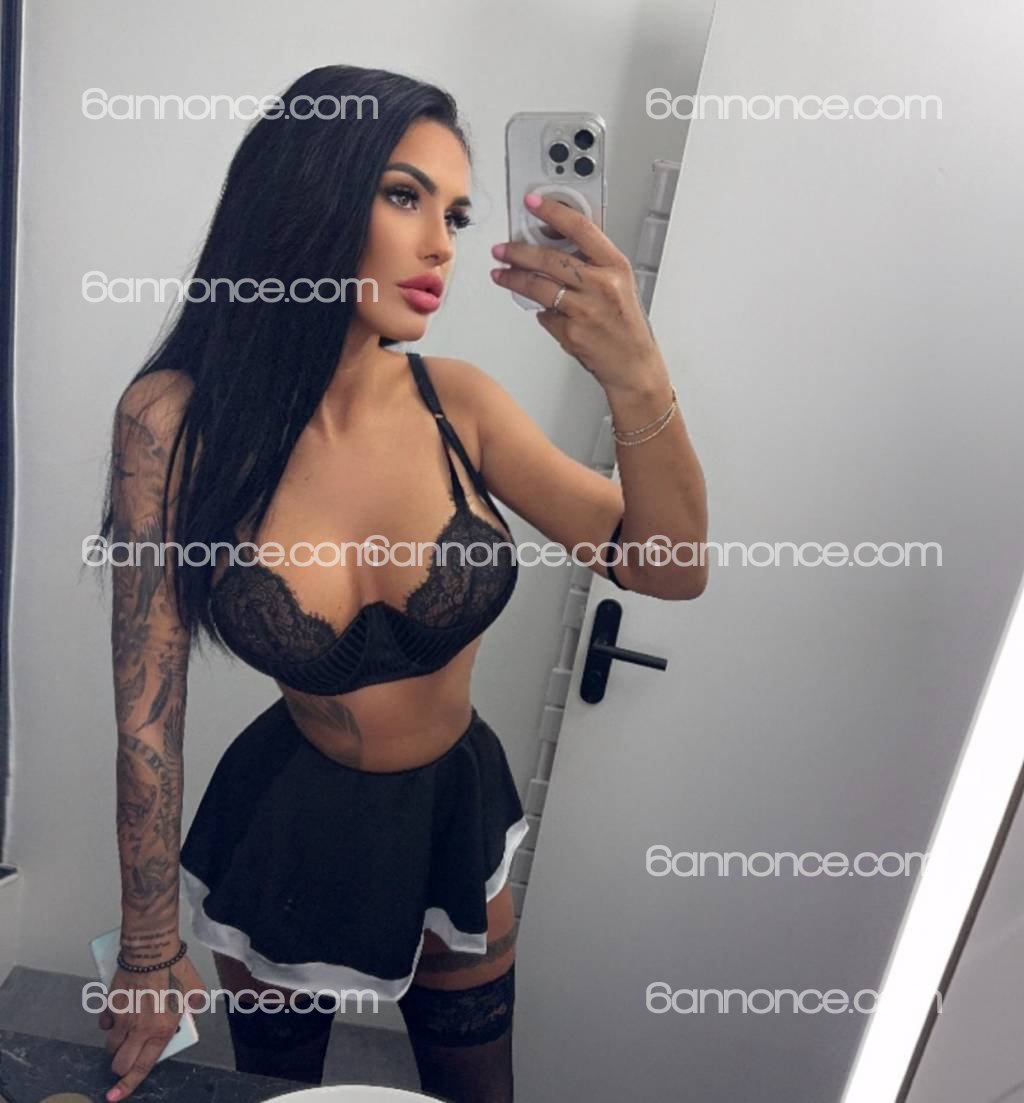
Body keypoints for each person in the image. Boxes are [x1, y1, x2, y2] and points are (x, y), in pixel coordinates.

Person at [94, 64, 708, 1102]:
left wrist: (636, 374)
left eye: (456, 216)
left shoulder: (459, 404)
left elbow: (672, 567)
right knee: (282, 1093)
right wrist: (148, 947)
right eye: (403, 196)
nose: (441, 246)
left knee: (481, 1090)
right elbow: (148, 709)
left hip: (448, 814)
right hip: (285, 820)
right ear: (307, 194)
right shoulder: (171, 423)